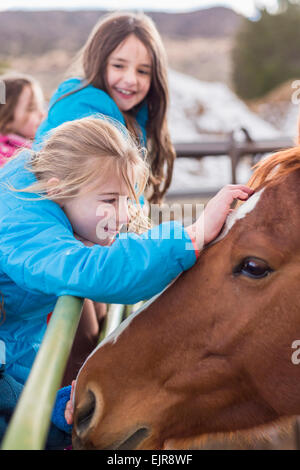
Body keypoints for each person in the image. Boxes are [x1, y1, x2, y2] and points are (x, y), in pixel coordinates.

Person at [0, 116, 253, 447]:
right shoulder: (21, 226)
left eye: (127, 198)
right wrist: (194, 234)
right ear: (58, 188)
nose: (122, 214)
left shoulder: (36, 195)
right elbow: (89, 270)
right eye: (109, 200)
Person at [34, 11, 177, 381]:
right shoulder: (82, 111)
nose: (130, 79)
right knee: (73, 337)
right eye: (119, 65)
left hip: (85, 243)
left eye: (143, 71)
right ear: (98, 62)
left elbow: (123, 198)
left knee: (96, 324)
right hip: (55, 246)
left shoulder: (134, 118)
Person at [0, 74, 45, 165]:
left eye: (42, 106)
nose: (42, 114)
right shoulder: (6, 157)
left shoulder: (36, 144)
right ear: (7, 118)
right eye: (31, 108)